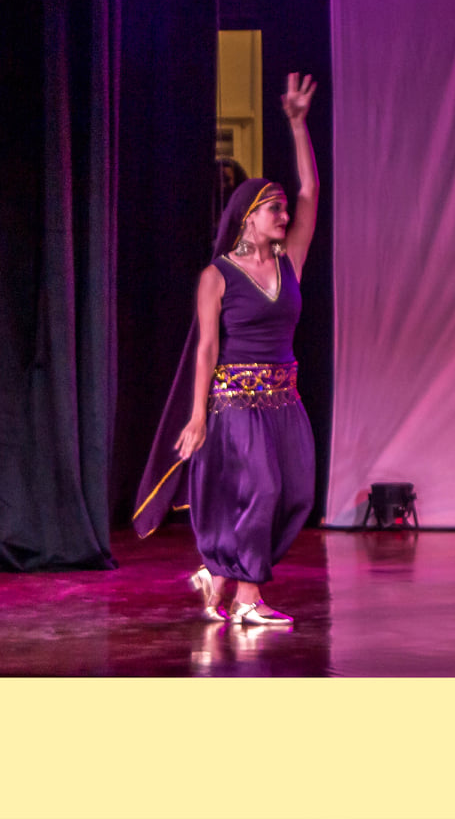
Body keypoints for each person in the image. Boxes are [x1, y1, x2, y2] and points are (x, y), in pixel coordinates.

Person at [132, 74, 321, 625]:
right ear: (247, 217)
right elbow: (206, 350)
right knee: (263, 489)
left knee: (297, 494)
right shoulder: (217, 276)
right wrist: (197, 416)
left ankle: (219, 574)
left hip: (286, 401)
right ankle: (246, 598)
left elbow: (310, 192)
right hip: (236, 403)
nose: (284, 215)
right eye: (273, 209)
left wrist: (298, 124)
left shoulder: (290, 261)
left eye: (283, 208)